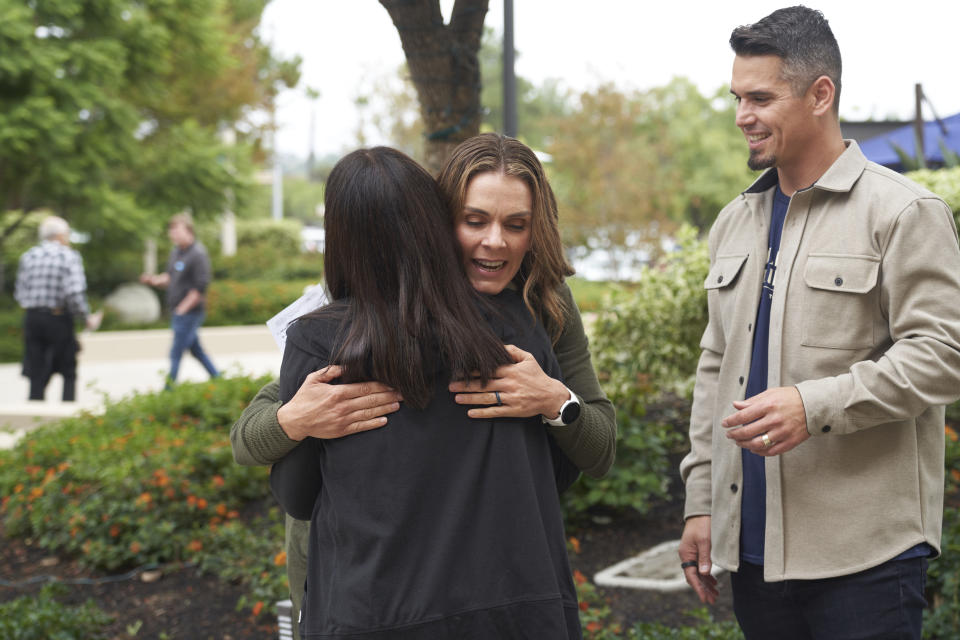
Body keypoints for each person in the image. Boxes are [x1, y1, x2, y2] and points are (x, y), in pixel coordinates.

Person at [231, 134, 616, 633]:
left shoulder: (541, 305)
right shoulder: (350, 314)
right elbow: (256, 437)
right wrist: (294, 419)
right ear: (434, 221)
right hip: (386, 590)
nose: (494, 242)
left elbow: (595, 449)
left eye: (516, 225)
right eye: (474, 221)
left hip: (431, 596)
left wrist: (556, 401)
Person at [678, 6, 960, 639]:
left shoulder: (905, 213)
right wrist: (700, 504)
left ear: (820, 94)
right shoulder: (733, 223)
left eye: (760, 97)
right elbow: (714, 369)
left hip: (866, 561)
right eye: (737, 97)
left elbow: (943, 354)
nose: (742, 115)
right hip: (752, 556)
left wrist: (815, 404)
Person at [15, 216, 97, 401]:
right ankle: (67, 413)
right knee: (68, 370)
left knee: (36, 369)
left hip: (33, 318)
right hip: (58, 318)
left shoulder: (28, 256)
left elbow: (20, 292)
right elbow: (74, 293)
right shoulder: (68, 256)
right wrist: (85, 317)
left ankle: (34, 414)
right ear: (60, 235)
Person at [140, 213, 219, 384]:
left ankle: (168, 389)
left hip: (189, 312)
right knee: (196, 351)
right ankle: (219, 379)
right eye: (171, 231)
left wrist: (182, 309)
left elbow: (200, 286)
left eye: (176, 230)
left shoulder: (198, 254)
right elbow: (170, 277)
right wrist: (153, 280)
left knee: (175, 352)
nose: (172, 234)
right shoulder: (176, 252)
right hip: (178, 310)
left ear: (189, 231)